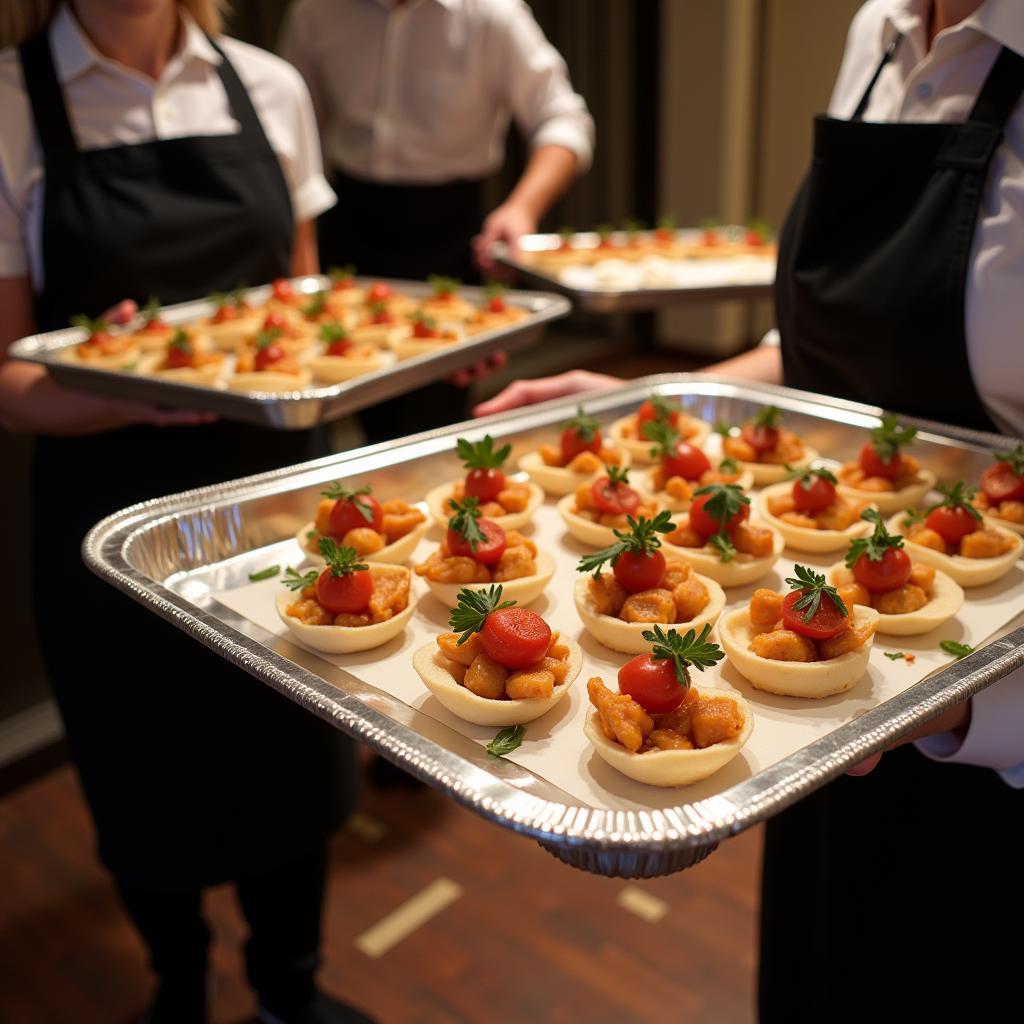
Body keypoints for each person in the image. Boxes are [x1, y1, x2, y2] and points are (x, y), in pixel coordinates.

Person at [477, 1, 1024, 1017]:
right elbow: (823, 356)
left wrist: (961, 708)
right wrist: (645, 405)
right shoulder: (878, 33)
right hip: (831, 697)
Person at [0, 3, 368, 1022]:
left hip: (277, 492)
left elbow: (304, 318)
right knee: (140, 762)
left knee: (294, 750)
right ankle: (178, 983)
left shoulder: (269, 87)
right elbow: (7, 381)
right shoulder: (8, 107)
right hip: (109, 509)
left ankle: (289, 990)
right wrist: (130, 384)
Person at [279, 0, 594, 440]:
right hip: (348, 228)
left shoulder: (493, 14)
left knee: (434, 423)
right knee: (341, 407)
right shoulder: (317, 12)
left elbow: (564, 120)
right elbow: (293, 124)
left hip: (450, 238)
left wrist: (522, 207)